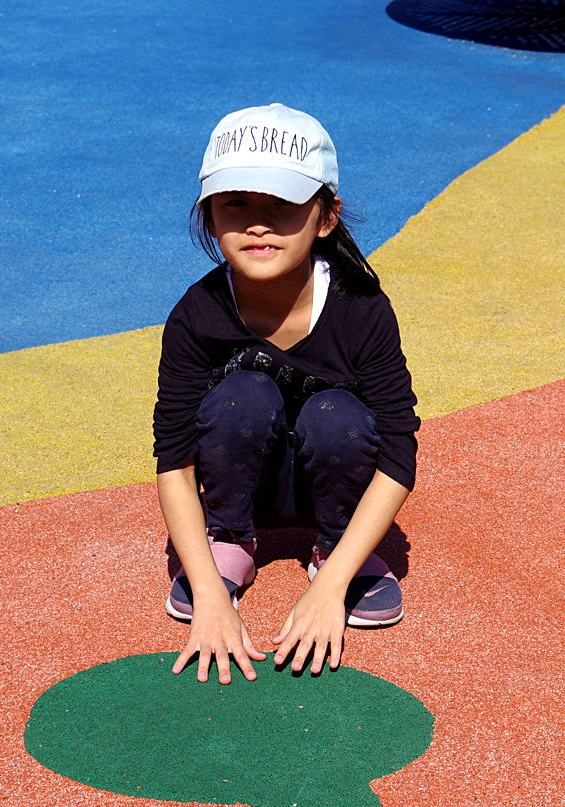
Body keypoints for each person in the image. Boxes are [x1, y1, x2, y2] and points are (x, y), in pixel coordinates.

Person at [153, 103, 419, 686]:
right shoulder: (197, 314)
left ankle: (334, 546)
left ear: (326, 217)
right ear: (209, 213)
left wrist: (328, 589)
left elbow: (399, 455)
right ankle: (231, 539)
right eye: (237, 204)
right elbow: (173, 458)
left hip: (336, 476)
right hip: (243, 482)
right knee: (241, 396)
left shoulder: (361, 310)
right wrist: (208, 593)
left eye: (283, 205)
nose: (257, 224)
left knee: (336, 414)